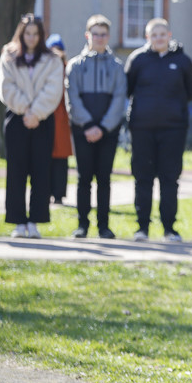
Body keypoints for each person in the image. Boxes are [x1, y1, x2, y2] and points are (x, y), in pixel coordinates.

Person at [124, 17, 192, 242]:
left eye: (162, 34)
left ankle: (169, 228)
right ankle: (142, 228)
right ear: (147, 37)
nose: (158, 38)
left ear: (169, 35)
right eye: (154, 35)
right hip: (142, 129)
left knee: (169, 179)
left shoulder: (182, 61)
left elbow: (191, 92)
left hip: (173, 130)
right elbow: (127, 89)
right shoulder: (137, 60)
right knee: (143, 178)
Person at [0, 13, 65, 238]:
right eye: (27, 33)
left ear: (41, 35)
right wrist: (25, 110)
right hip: (17, 118)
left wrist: (36, 112)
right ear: (21, 34)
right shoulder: (9, 55)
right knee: (16, 171)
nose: (31, 38)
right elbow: (5, 86)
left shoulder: (52, 59)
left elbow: (53, 89)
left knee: (41, 171)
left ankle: (35, 221)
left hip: (42, 120)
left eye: (35, 34)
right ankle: (18, 222)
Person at [65, 15, 127, 240]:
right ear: (87, 35)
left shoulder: (117, 67)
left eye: (103, 34)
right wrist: (89, 125)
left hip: (108, 131)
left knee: (104, 178)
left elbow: (119, 99)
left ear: (108, 37)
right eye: (95, 34)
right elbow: (72, 98)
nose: (99, 38)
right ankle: (82, 224)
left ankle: (104, 226)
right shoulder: (75, 65)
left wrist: (103, 127)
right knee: (84, 178)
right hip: (83, 129)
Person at [44, 34, 73, 205]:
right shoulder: (43, 69)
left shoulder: (67, 69)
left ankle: (59, 194)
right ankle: (45, 191)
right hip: (46, 115)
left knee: (61, 159)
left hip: (62, 119)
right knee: (45, 157)